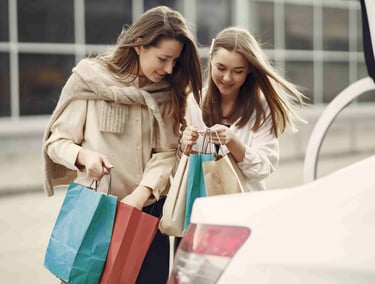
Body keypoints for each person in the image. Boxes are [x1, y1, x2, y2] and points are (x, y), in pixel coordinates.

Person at [42, 6, 202, 284]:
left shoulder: (167, 92)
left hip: (149, 213)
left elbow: (166, 153)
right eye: (163, 58)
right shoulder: (90, 79)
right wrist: (84, 156)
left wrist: (141, 194)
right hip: (96, 210)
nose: (169, 69)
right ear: (139, 46)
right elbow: (57, 142)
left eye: (175, 61)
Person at [179, 26, 306, 191]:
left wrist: (232, 141)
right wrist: (184, 145)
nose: (227, 78)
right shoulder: (193, 102)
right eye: (221, 68)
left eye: (238, 71)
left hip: (244, 205)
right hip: (201, 205)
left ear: (249, 71)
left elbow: (262, 169)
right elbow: (179, 166)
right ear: (211, 58)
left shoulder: (262, 109)